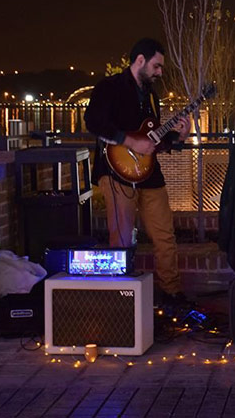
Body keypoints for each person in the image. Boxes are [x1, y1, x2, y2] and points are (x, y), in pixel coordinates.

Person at [84, 38, 190, 305]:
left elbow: (152, 141)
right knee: (120, 236)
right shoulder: (109, 87)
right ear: (140, 60)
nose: (160, 72)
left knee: (165, 235)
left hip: (150, 174)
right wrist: (130, 142)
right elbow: (93, 121)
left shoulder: (152, 97)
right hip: (116, 171)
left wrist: (179, 137)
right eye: (157, 66)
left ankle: (171, 292)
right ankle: (121, 298)